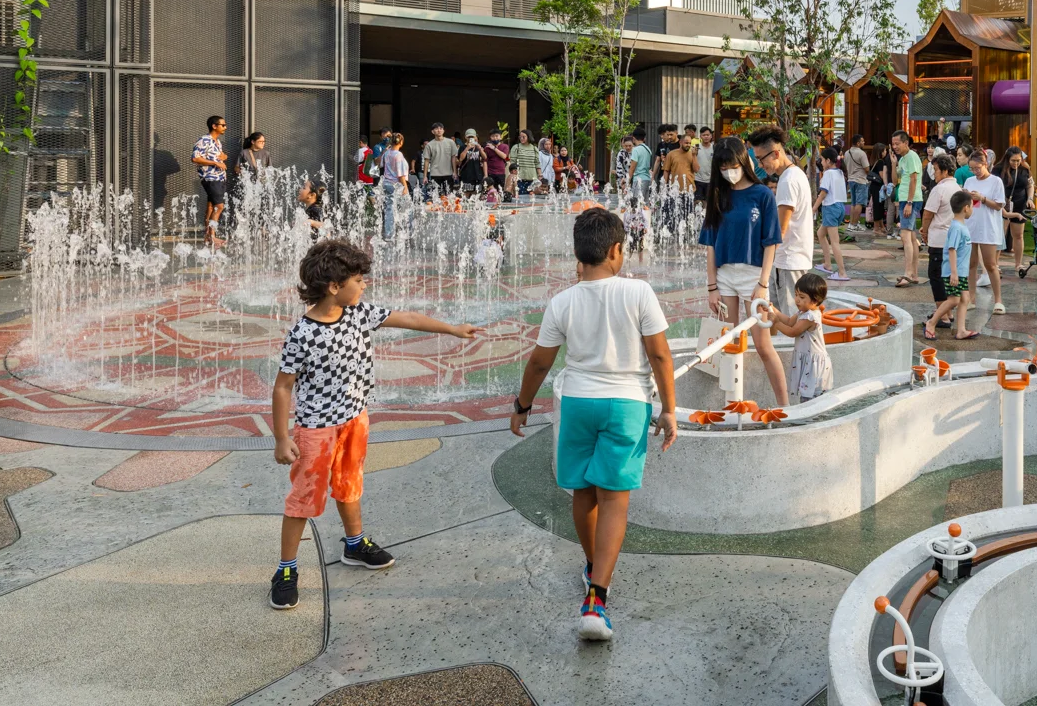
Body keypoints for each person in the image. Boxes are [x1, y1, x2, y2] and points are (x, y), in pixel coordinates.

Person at [270, 239, 477, 611]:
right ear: (334, 286)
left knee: (350, 485)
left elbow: (409, 319)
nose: (364, 285)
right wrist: (282, 438)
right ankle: (286, 569)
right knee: (304, 497)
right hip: (316, 429)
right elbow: (283, 386)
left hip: (355, 420)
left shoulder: (359, 313)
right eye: (358, 279)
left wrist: (452, 329)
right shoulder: (303, 333)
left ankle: (354, 543)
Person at [509, 208, 676, 641]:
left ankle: (592, 569)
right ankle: (597, 597)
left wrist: (522, 405)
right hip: (627, 404)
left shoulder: (562, 301)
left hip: (579, 402)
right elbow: (659, 355)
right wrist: (670, 409)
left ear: (579, 255)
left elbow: (540, 362)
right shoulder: (639, 293)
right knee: (615, 500)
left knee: (583, 492)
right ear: (617, 251)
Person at [699, 137, 784, 404]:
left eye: (732, 165)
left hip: (753, 276)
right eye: (722, 168)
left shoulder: (763, 195)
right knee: (729, 343)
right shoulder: (717, 195)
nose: (728, 172)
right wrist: (712, 287)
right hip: (725, 277)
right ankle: (731, 404)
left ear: (743, 161)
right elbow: (710, 245)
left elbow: (771, 242)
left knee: (762, 345)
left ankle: (786, 406)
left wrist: (763, 283)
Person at [749, 127, 815, 320]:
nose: (760, 164)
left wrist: (763, 264)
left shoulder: (788, 181)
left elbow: (780, 230)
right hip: (790, 259)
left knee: (791, 319)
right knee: (780, 318)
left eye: (761, 159)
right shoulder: (794, 174)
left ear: (776, 153)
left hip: (788, 260)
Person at [761, 272, 833, 403]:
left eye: (802, 297)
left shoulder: (810, 317)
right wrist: (773, 310)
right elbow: (789, 321)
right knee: (808, 395)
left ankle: (811, 419)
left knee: (812, 397)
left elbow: (792, 331)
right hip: (809, 360)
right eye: (796, 295)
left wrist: (776, 323)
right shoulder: (803, 312)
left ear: (815, 300)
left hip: (814, 363)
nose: (797, 300)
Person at [924, 190, 977, 341]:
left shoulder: (961, 226)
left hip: (960, 271)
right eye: (972, 206)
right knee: (954, 300)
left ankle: (961, 330)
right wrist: (954, 272)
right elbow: (951, 250)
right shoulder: (956, 227)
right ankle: (931, 323)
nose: (972, 209)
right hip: (953, 272)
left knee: (964, 298)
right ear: (966, 208)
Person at [921, 156, 963, 340]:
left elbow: (928, 214)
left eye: (936, 169)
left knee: (936, 276)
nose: (934, 173)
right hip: (954, 238)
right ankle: (948, 312)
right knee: (947, 277)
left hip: (939, 239)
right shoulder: (958, 188)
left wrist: (924, 231)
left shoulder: (940, 189)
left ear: (945, 171)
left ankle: (943, 315)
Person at [963, 150, 1006, 315]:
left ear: (985, 164)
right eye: (972, 169)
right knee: (970, 264)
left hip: (988, 227)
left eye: (977, 168)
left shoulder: (996, 182)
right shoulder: (969, 180)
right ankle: (971, 299)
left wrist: (982, 198)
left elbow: (999, 205)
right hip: (971, 225)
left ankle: (998, 300)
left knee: (991, 265)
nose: (975, 172)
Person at [889, 131, 924, 286]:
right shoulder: (903, 159)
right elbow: (895, 181)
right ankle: (914, 274)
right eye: (893, 144)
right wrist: (893, 163)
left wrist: (909, 202)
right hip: (904, 198)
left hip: (910, 200)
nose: (895, 146)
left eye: (897, 143)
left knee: (905, 236)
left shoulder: (912, 157)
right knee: (911, 238)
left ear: (905, 143)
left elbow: (914, 179)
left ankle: (907, 273)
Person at [996, 146, 1034, 277]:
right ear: (1007, 158)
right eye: (1013, 160)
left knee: (1018, 235)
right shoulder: (998, 169)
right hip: (1003, 203)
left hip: (1020, 203)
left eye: (1018, 160)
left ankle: (1018, 263)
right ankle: (995, 264)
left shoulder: (1025, 169)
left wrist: (1030, 198)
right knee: (1000, 234)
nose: (1016, 163)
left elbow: (1030, 185)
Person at [192, 115, 229, 247]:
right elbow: (195, 158)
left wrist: (223, 157)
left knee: (211, 207)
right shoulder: (204, 140)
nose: (225, 127)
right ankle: (213, 236)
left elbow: (220, 157)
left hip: (219, 178)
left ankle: (208, 236)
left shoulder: (217, 142)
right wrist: (215, 163)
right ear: (214, 126)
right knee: (219, 207)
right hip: (211, 178)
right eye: (223, 125)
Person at [815, 146, 850, 281]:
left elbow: (823, 193)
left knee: (834, 242)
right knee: (820, 234)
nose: (822, 162)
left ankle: (842, 272)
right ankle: (827, 264)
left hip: (830, 208)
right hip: (840, 207)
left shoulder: (828, 174)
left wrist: (813, 208)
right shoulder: (840, 172)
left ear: (828, 161)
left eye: (823, 160)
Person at [380, 133, 409, 239]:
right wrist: (405, 187)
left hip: (386, 183)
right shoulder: (398, 155)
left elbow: (381, 165)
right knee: (407, 207)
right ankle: (408, 233)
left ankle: (388, 234)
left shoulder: (387, 153)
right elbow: (400, 174)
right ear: (401, 142)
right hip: (396, 184)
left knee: (389, 209)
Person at [842, 134, 870, 229]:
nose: (864, 142)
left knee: (853, 203)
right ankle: (854, 224)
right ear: (858, 143)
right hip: (861, 180)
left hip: (851, 180)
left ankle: (851, 223)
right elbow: (866, 168)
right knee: (859, 203)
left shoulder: (847, 152)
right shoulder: (862, 153)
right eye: (862, 141)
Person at [422, 124, 457, 196]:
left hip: (448, 173)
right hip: (435, 174)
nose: (439, 130)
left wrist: (455, 172)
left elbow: (453, 158)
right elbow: (426, 160)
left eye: (441, 128)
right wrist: (425, 176)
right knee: (436, 197)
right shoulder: (429, 145)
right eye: (436, 129)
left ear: (443, 131)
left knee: (449, 196)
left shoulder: (450, 142)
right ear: (432, 131)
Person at [868, 139, 892, 237]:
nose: (885, 152)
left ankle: (881, 226)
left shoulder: (873, 161)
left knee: (879, 206)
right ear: (880, 152)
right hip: (878, 186)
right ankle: (876, 227)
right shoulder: (881, 162)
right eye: (884, 151)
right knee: (878, 207)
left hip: (874, 186)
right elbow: (882, 176)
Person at [509, 128, 540, 198]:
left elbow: (537, 163)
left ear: (529, 137)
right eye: (520, 137)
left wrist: (540, 175)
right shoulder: (516, 147)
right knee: (521, 197)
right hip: (520, 178)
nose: (522, 138)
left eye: (524, 137)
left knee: (532, 198)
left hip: (532, 178)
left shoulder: (534, 148)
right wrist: (513, 176)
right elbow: (513, 163)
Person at [456, 129, 485, 194]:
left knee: (477, 193)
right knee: (466, 192)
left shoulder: (478, 147)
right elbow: (460, 159)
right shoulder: (462, 147)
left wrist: (480, 149)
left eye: (472, 137)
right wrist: (467, 148)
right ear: (465, 137)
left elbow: (485, 157)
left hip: (477, 174)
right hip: (466, 174)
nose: (471, 138)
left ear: (475, 137)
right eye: (469, 137)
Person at [629, 127, 654, 202]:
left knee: (636, 204)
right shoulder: (648, 149)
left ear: (633, 138)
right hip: (647, 179)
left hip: (638, 180)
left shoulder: (636, 150)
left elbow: (633, 167)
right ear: (644, 138)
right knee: (645, 204)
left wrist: (628, 180)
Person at [484, 130, 510, 197]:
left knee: (500, 192)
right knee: (489, 193)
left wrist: (494, 148)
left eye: (496, 136)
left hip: (501, 173)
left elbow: (504, 156)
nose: (495, 138)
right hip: (490, 173)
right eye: (493, 136)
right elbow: (485, 161)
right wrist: (486, 175)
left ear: (500, 137)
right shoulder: (487, 148)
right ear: (490, 137)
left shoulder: (505, 146)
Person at [694, 126, 715, 200]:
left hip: (710, 180)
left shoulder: (714, 148)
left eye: (708, 135)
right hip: (697, 179)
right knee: (697, 202)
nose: (706, 137)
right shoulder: (695, 147)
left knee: (708, 202)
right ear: (700, 136)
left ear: (711, 136)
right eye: (704, 135)